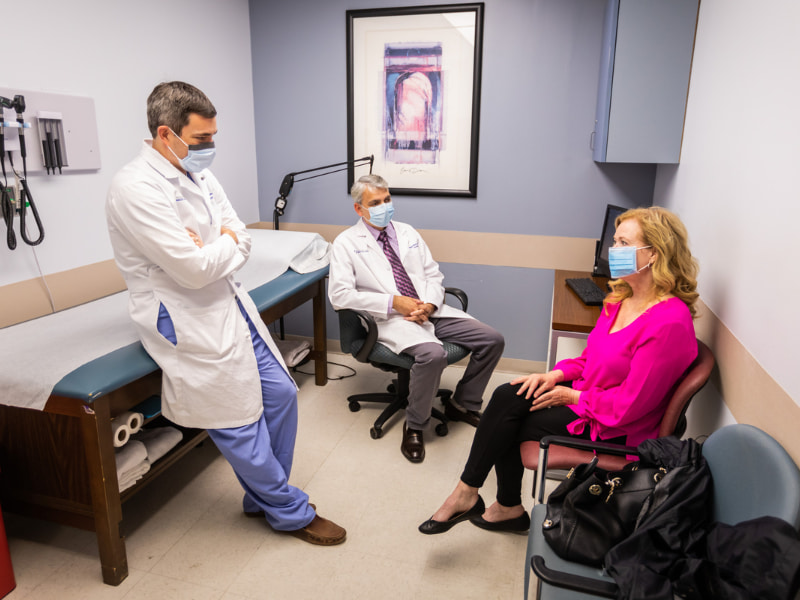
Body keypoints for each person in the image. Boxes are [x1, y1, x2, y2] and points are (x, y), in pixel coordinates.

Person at [106, 81, 345, 546]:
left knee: (280, 394)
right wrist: (221, 246)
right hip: (185, 316)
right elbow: (193, 272)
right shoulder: (134, 188)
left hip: (229, 303)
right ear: (164, 134)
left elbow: (242, 234)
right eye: (201, 140)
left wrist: (219, 243)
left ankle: (261, 496)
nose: (210, 148)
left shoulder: (198, 174)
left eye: (213, 137)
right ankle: (287, 510)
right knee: (236, 421)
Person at [419, 206, 699, 534]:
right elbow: (591, 360)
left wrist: (571, 396)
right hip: (592, 401)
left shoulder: (667, 323)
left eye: (624, 244)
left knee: (510, 419)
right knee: (510, 394)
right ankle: (484, 499)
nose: (614, 251)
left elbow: (629, 406)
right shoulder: (621, 299)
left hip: (618, 426)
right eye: (615, 242)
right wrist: (555, 376)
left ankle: (488, 500)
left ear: (654, 254)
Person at [328, 174, 505, 463]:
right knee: (433, 354)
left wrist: (432, 305)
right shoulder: (345, 243)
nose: (384, 206)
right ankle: (415, 424)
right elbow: (340, 295)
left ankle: (462, 404)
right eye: (375, 203)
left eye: (387, 200)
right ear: (359, 209)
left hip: (429, 310)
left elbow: (433, 274)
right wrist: (391, 303)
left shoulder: (408, 232)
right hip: (390, 319)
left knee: (492, 340)